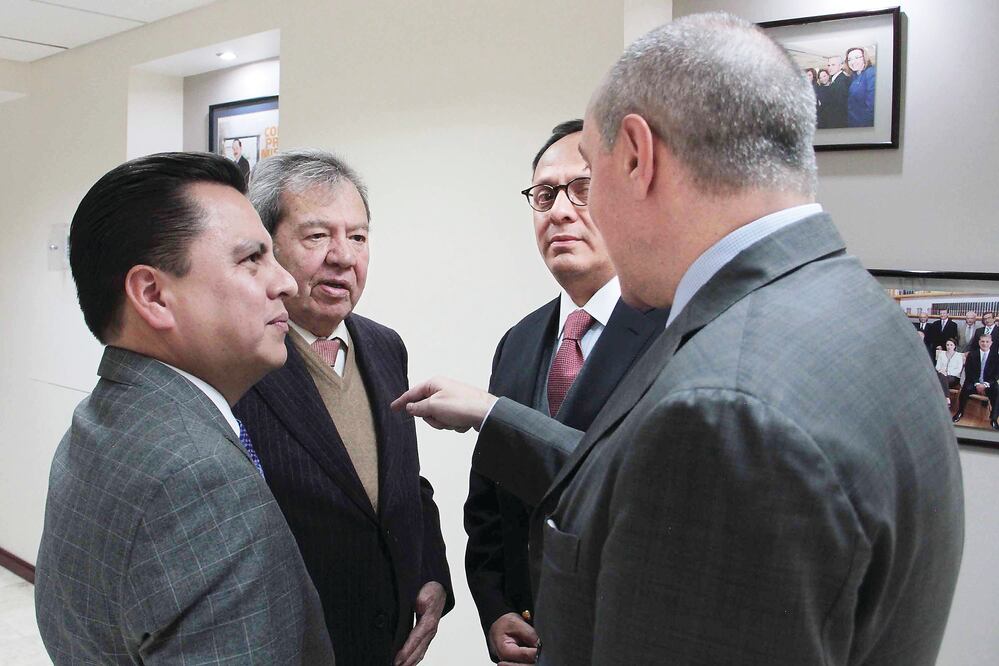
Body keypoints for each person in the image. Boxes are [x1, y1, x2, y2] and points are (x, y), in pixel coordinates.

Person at [394, 12, 963, 665]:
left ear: (636, 156)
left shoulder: (724, 415)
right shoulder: (858, 309)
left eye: (589, 177)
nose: (577, 211)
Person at [34, 152, 335, 664]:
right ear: (152, 294)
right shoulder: (199, 479)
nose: (284, 282)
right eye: (251, 259)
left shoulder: (101, 423)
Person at [234, 149, 452, 666]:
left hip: (388, 645)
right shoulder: (239, 363)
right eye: (317, 236)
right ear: (265, 249)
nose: (343, 256)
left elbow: (405, 483)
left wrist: (432, 572)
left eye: (357, 236)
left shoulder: (384, 346)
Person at [464, 119, 667, 664]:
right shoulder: (520, 341)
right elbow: (488, 506)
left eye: (582, 189)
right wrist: (494, 608)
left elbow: (642, 494)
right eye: (545, 194)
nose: (559, 211)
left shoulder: (672, 332)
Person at [953, 333, 999, 428]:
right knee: (965, 389)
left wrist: (985, 384)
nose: (984, 344)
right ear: (979, 342)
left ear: (991, 343)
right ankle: (960, 412)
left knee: (997, 392)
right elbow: (968, 371)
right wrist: (977, 383)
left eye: (987, 342)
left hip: (988, 383)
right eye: (982, 341)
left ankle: (994, 419)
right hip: (974, 382)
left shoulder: (996, 356)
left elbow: (996, 374)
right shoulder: (972, 354)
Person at [846, 47, 876, 127]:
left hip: (863, 124)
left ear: (864, 58)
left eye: (856, 57)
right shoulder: (855, 76)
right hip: (853, 121)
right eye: (849, 59)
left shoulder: (871, 73)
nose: (853, 62)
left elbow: (872, 107)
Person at [817, 54, 849, 129]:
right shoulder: (836, 79)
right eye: (829, 65)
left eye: (833, 65)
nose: (830, 68)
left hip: (837, 123)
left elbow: (840, 108)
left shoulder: (841, 81)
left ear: (841, 66)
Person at [935, 338, 965, 403]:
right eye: (947, 345)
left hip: (953, 377)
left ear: (954, 346)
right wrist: (942, 371)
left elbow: (958, 370)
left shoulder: (959, 355)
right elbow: (937, 367)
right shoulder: (941, 354)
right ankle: (947, 398)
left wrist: (947, 372)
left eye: (951, 345)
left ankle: (943, 399)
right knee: (941, 376)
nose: (949, 346)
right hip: (941, 374)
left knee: (940, 379)